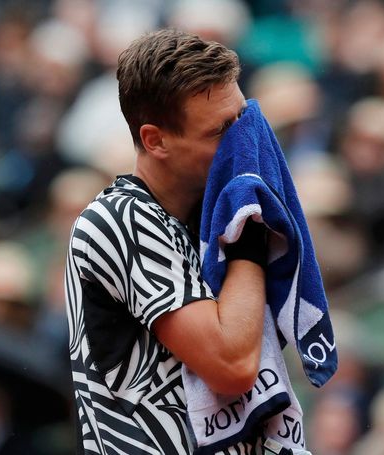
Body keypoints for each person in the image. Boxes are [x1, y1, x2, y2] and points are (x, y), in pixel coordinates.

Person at [64, 30, 282, 454]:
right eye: (220, 131)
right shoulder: (118, 220)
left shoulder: (209, 211)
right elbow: (232, 365)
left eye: (244, 120)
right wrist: (248, 231)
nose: (243, 142)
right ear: (155, 140)